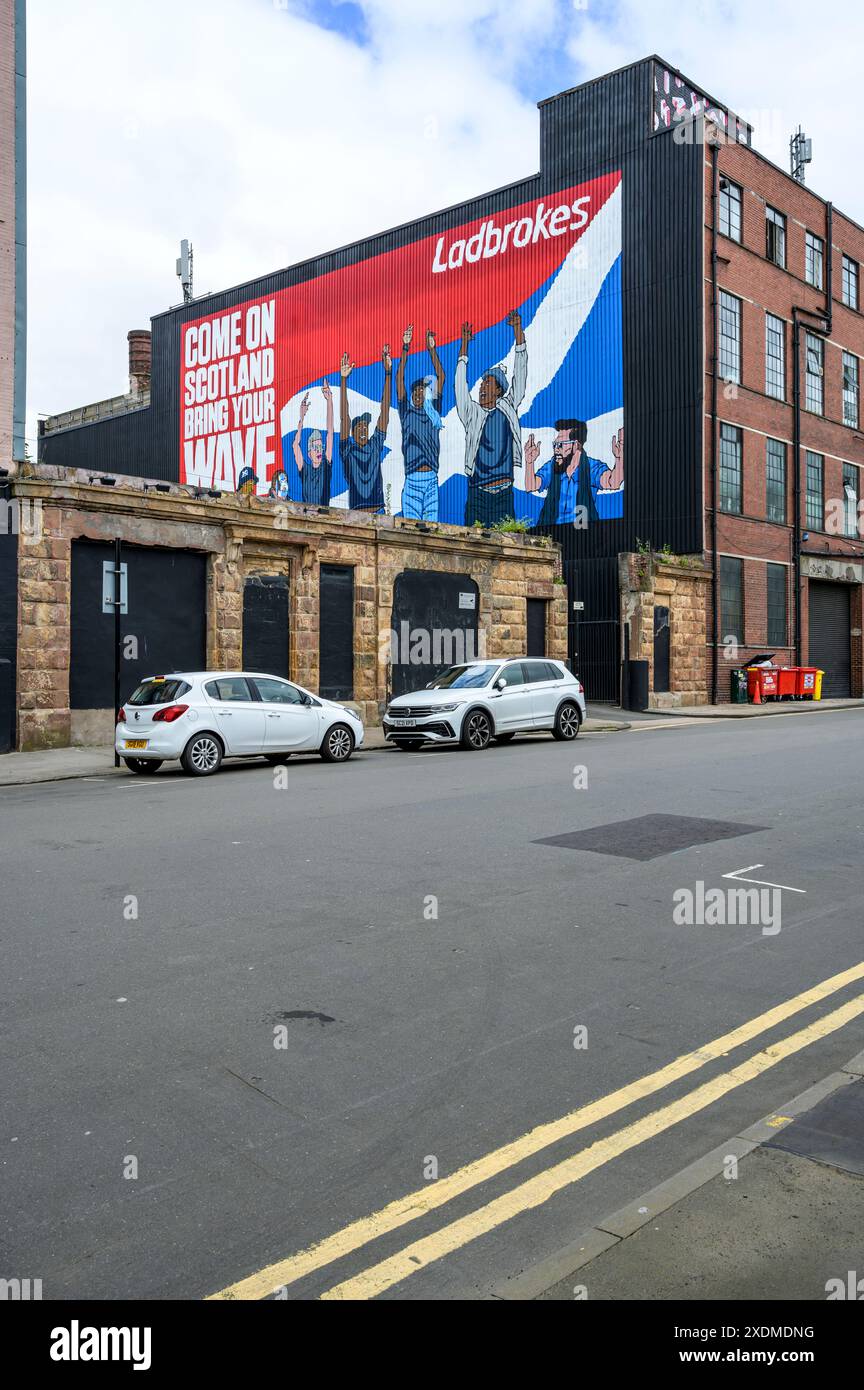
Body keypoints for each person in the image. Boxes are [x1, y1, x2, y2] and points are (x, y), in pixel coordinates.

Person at [455, 310, 527, 527]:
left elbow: (520, 376)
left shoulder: (507, 408)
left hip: (503, 494)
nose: (482, 387)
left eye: (488, 383)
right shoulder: (473, 414)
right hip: (477, 493)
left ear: (499, 390)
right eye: (482, 384)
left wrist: (518, 333)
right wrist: (464, 349)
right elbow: (459, 387)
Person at [524, 423, 624, 527]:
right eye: (555, 444)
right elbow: (531, 486)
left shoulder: (591, 466)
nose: (556, 449)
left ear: (576, 445)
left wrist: (620, 459)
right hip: (551, 530)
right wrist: (529, 462)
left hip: (584, 531)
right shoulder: (552, 466)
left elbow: (613, 483)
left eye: (561, 444)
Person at [396, 325, 444, 521]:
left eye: (421, 391)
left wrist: (432, 349)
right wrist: (405, 348)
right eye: (415, 391)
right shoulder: (406, 413)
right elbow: (399, 379)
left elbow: (441, 376)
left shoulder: (434, 414)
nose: (418, 394)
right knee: (410, 529)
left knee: (431, 530)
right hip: (412, 480)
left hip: (431, 479)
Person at [339, 346, 392, 514]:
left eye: (365, 426)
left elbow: (385, 411)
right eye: (359, 426)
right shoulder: (348, 449)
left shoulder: (375, 444)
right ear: (352, 432)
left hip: (379, 511)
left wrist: (388, 374)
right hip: (357, 513)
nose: (363, 429)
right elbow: (344, 417)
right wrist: (343, 380)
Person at [293, 379, 334, 506]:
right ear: (309, 453)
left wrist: (329, 401)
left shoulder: (325, 467)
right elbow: (295, 445)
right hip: (307, 516)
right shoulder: (305, 470)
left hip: (324, 515)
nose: (318, 450)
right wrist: (301, 417)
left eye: (320, 446)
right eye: (314, 447)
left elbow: (330, 432)